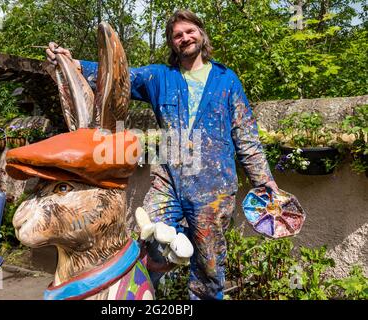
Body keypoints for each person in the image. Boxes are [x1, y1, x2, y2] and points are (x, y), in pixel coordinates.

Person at [46, 9, 279, 300]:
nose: (185, 38)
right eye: (177, 35)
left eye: (189, 31)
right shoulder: (159, 77)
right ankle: (142, 296)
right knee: (148, 241)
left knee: (208, 265)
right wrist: (73, 63)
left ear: (201, 34)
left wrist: (264, 180)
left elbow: (246, 135)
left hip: (213, 189)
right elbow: (118, 77)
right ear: (172, 43)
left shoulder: (226, 80)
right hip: (168, 181)